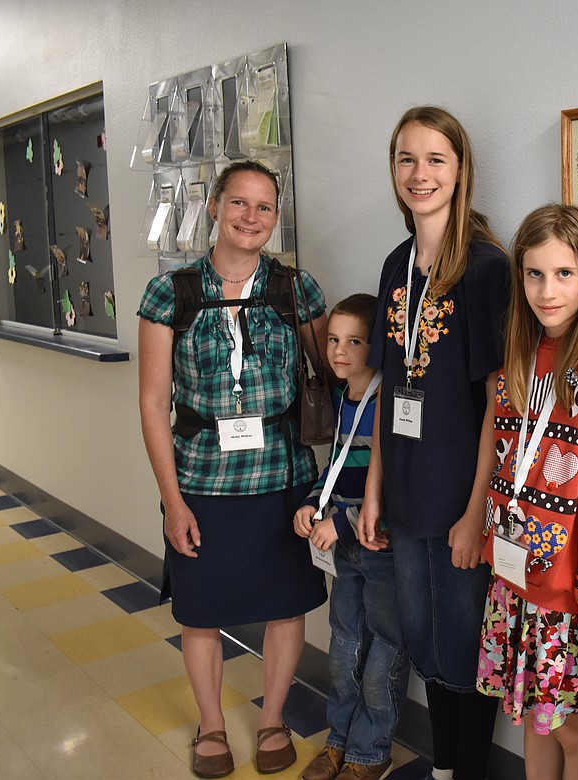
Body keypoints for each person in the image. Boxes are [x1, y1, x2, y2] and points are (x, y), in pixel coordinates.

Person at [138, 160, 328, 779]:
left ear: (276, 216)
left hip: (283, 480)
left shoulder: (296, 290)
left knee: (284, 606)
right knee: (201, 611)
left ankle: (272, 718)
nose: (251, 217)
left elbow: (333, 375)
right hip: (201, 480)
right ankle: (212, 725)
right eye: (239, 203)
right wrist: (172, 502)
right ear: (216, 205)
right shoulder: (171, 292)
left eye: (265, 207)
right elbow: (151, 400)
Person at [357, 106, 510, 780]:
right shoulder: (396, 264)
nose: (420, 174)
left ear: (461, 170)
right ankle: (445, 769)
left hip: (458, 498)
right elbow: (391, 385)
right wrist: (371, 489)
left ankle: (466, 771)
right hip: (405, 492)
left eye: (435, 159)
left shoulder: (485, 269)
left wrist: (477, 510)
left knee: (467, 649)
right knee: (428, 648)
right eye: (407, 159)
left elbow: (499, 402)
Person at [477, 205, 578, 780]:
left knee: (572, 726)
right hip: (514, 578)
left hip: (569, 596)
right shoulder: (521, 358)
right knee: (532, 716)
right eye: (534, 275)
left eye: (564, 274)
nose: (547, 291)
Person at [294, 294, 408, 780]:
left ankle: (370, 749)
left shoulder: (390, 402)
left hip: (381, 551)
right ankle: (338, 740)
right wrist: (312, 503)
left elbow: (397, 487)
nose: (339, 351)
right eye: (333, 340)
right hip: (344, 549)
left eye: (354, 341)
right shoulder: (343, 398)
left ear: (376, 345)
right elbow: (337, 467)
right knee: (342, 650)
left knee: (383, 653)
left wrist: (338, 521)